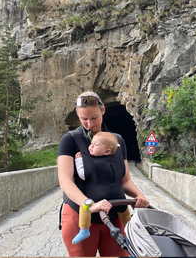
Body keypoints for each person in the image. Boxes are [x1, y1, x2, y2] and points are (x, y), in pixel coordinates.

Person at [57, 91, 150, 257]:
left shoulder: (117, 141)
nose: (89, 124)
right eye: (84, 119)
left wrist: (139, 195)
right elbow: (65, 181)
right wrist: (88, 204)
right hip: (80, 218)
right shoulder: (70, 140)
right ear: (77, 115)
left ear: (103, 111)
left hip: (114, 216)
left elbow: (125, 180)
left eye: (94, 117)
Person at [72, 132, 131, 244]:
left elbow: (83, 175)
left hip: (97, 198)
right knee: (125, 214)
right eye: (91, 143)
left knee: (84, 205)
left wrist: (78, 160)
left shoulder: (92, 163)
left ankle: (84, 229)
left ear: (107, 151)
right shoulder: (117, 161)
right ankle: (130, 232)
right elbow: (124, 175)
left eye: (96, 145)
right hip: (119, 197)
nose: (91, 146)